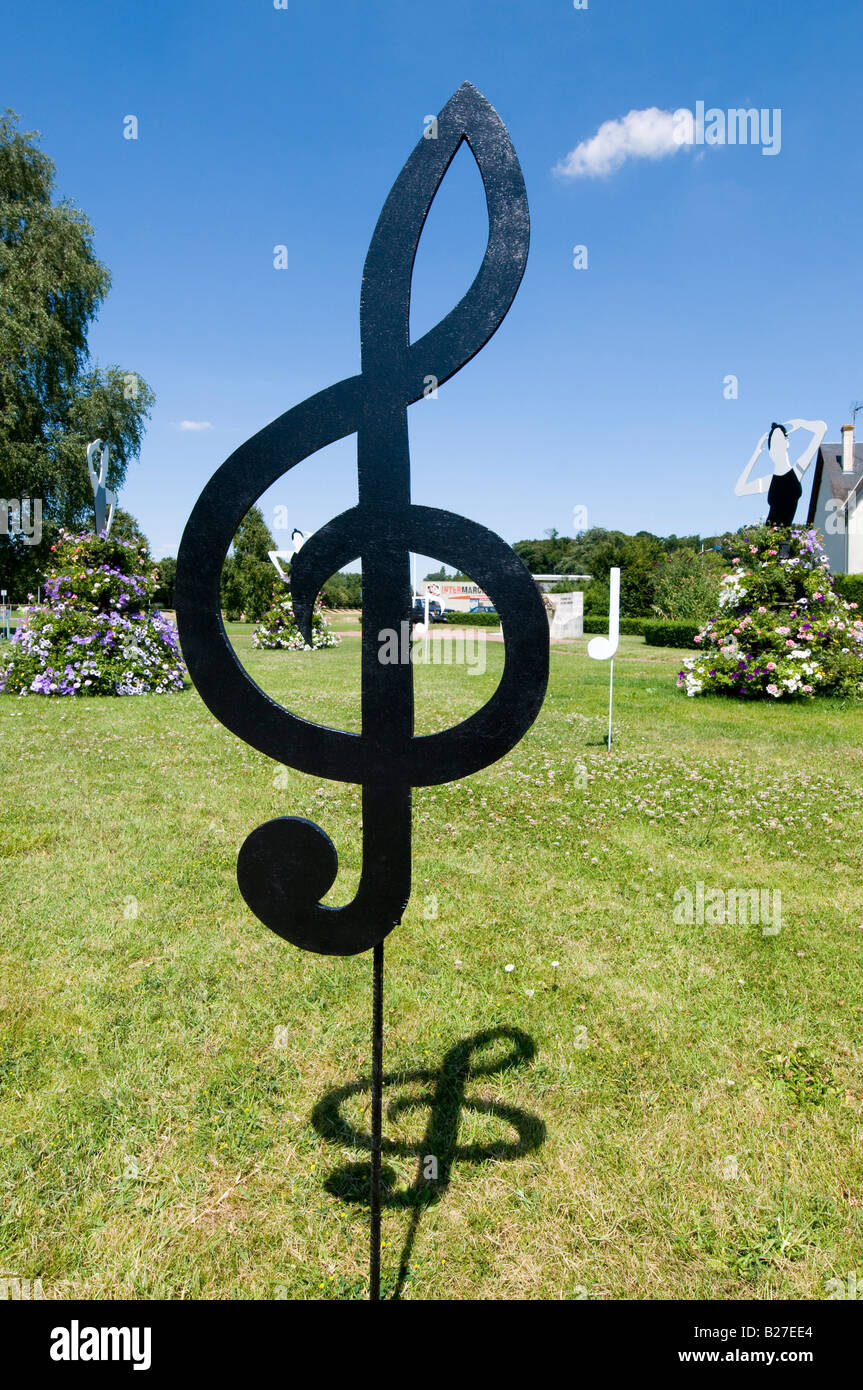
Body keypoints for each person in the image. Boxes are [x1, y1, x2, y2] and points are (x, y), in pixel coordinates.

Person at [734, 419, 827, 525]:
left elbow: (821, 429)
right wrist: (756, 454)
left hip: (785, 537)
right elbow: (739, 490)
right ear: (770, 452)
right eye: (773, 444)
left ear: (787, 442)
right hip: (769, 537)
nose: (777, 446)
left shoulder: (798, 470)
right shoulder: (769, 482)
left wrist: (801, 423)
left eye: (779, 440)